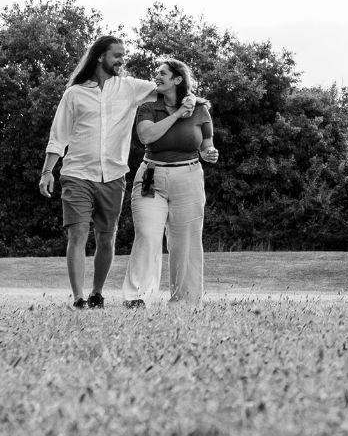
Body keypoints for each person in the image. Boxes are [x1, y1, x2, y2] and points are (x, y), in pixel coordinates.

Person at [38, 35, 186, 309]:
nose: (122, 60)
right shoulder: (74, 93)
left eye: (123, 55)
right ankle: (79, 297)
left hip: (114, 176)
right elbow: (58, 136)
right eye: (117, 55)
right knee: (78, 233)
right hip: (77, 173)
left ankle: (96, 293)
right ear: (99, 57)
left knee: (106, 238)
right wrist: (48, 171)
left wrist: (195, 103)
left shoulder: (130, 88)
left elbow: (171, 90)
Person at [121, 58, 219, 308]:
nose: (157, 76)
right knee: (147, 234)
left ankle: (184, 300)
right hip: (151, 175)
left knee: (185, 240)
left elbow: (207, 145)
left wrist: (210, 153)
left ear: (178, 79)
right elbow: (147, 135)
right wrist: (176, 115)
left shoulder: (200, 109)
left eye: (163, 73)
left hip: (188, 176)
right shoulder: (148, 106)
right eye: (156, 73)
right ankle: (137, 296)